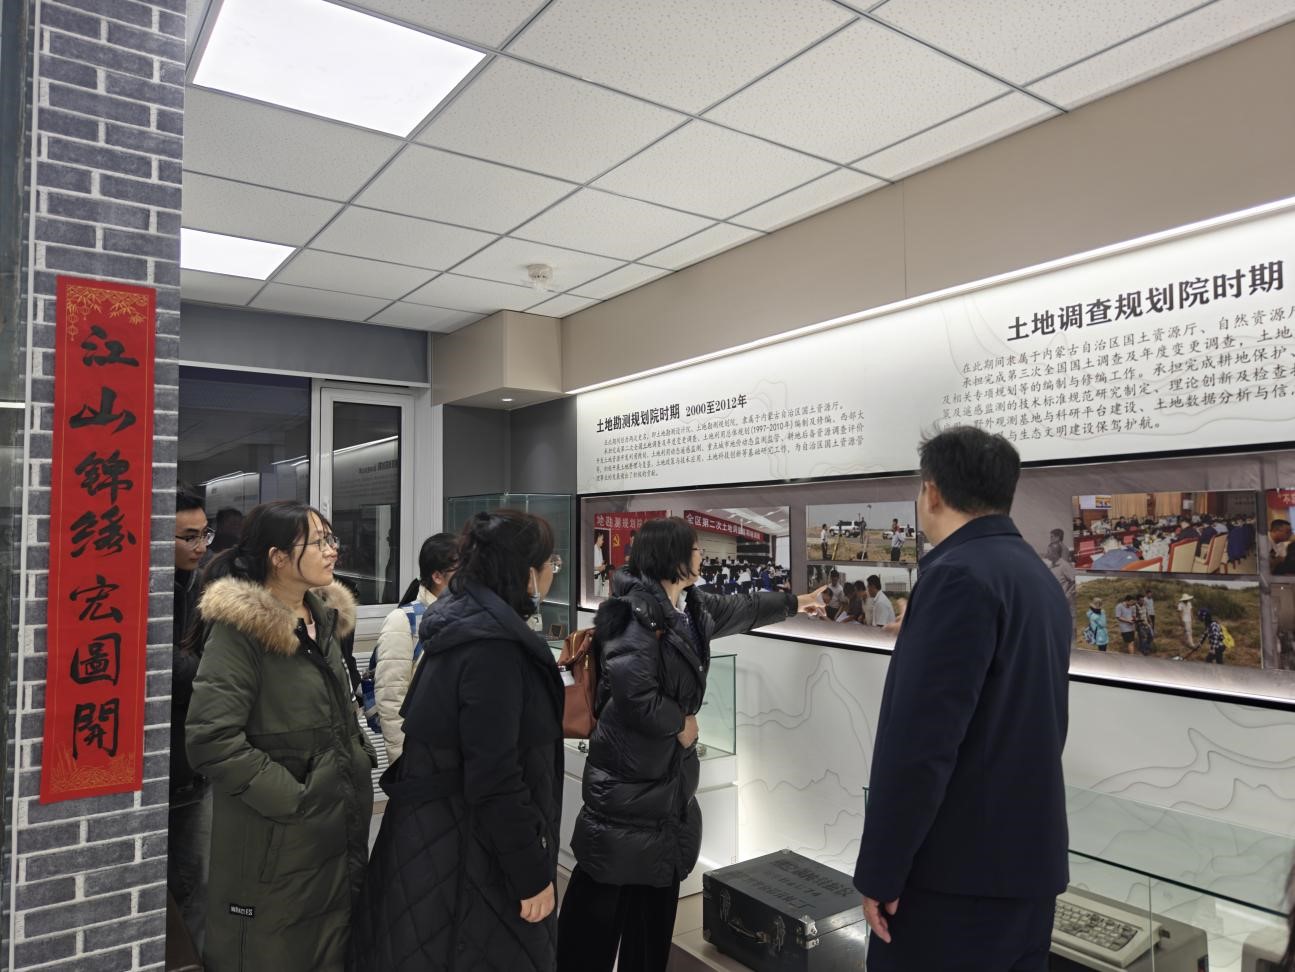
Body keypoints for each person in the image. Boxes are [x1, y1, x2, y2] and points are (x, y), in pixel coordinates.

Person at [557, 516, 823, 972]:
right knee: (602, 900)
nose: (703, 555)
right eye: (696, 548)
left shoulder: (692, 606)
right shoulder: (631, 615)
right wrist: (679, 723)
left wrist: (795, 602)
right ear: (674, 557)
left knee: (653, 899)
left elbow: (744, 607)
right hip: (627, 778)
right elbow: (635, 695)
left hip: (666, 781)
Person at [853, 426, 1070, 972]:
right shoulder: (1039, 579)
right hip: (1028, 869)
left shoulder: (955, 576)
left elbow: (921, 745)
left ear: (931, 492)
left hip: (956, 879)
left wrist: (881, 869)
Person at [350, 510, 564, 972]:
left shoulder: (462, 623)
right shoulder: (493, 647)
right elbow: (495, 774)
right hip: (467, 850)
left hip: (440, 835)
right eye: (551, 562)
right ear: (527, 572)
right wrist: (530, 872)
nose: (553, 572)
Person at [186, 500, 375, 972]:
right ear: (277, 557)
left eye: (332, 539)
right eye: (318, 542)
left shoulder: (322, 620)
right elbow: (212, 740)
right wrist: (297, 800)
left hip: (334, 827)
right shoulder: (241, 632)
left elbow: (337, 709)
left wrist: (357, 753)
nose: (332, 551)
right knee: (277, 949)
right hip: (277, 840)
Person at [168, 485, 213, 952]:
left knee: (195, 882)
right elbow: (163, 668)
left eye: (204, 534)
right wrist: (202, 670)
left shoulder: (202, 586)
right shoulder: (143, 589)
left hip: (193, 764)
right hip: (159, 763)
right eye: (189, 537)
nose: (200, 546)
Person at [373, 532, 458, 765]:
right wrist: (403, 761)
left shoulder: (465, 615)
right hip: (420, 753)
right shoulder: (403, 620)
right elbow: (391, 698)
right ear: (437, 576)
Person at [593, 530, 609, 596]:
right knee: (595, 595)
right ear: (598, 538)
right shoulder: (593, 549)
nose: (603, 541)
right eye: (602, 539)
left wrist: (602, 564)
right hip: (594, 578)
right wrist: (598, 568)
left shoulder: (600, 550)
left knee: (600, 594)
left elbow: (599, 563)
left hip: (600, 576)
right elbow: (589, 566)